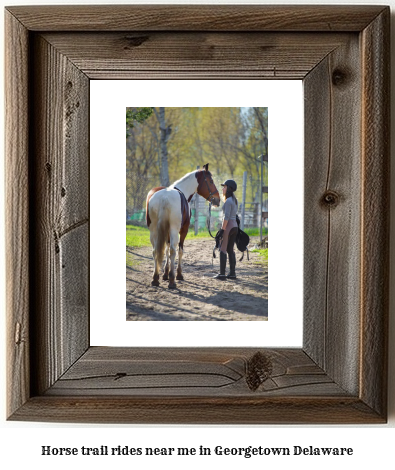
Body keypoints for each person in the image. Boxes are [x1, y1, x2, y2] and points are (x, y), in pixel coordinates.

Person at [213, 179, 238, 280]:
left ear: (229, 189)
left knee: (223, 250)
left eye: (224, 187)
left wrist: (222, 230)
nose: (222, 189)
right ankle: (232, 273)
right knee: (230, 250)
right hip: (235, 226)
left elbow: (226, 217)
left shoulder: (228, 201)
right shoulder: (235, 200)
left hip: (228, 227)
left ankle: (222, 274)